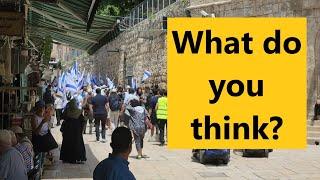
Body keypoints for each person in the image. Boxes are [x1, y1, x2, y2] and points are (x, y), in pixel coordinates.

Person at [60, 99, 87, 164]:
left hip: (67, 129)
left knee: (67, 142)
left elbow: (63, 117)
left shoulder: (67, 111)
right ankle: (77, 158)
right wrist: (82, 130)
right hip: (76, 130)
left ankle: (66, 158)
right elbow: (83, 121)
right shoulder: (79, 111)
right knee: (77, 143)